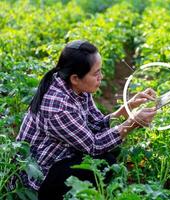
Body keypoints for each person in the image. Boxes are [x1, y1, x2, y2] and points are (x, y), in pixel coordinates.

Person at [16, 40, 157, 200]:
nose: (101, 77)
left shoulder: (78, 88)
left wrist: (129, 106)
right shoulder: (57, 106)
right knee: (103, 163)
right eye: (96, 74)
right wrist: (132, 123)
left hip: (60, 155)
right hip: (38, 176)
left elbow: (97, 124)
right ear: (75, 78)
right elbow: (94, 145)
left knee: (109, 153)